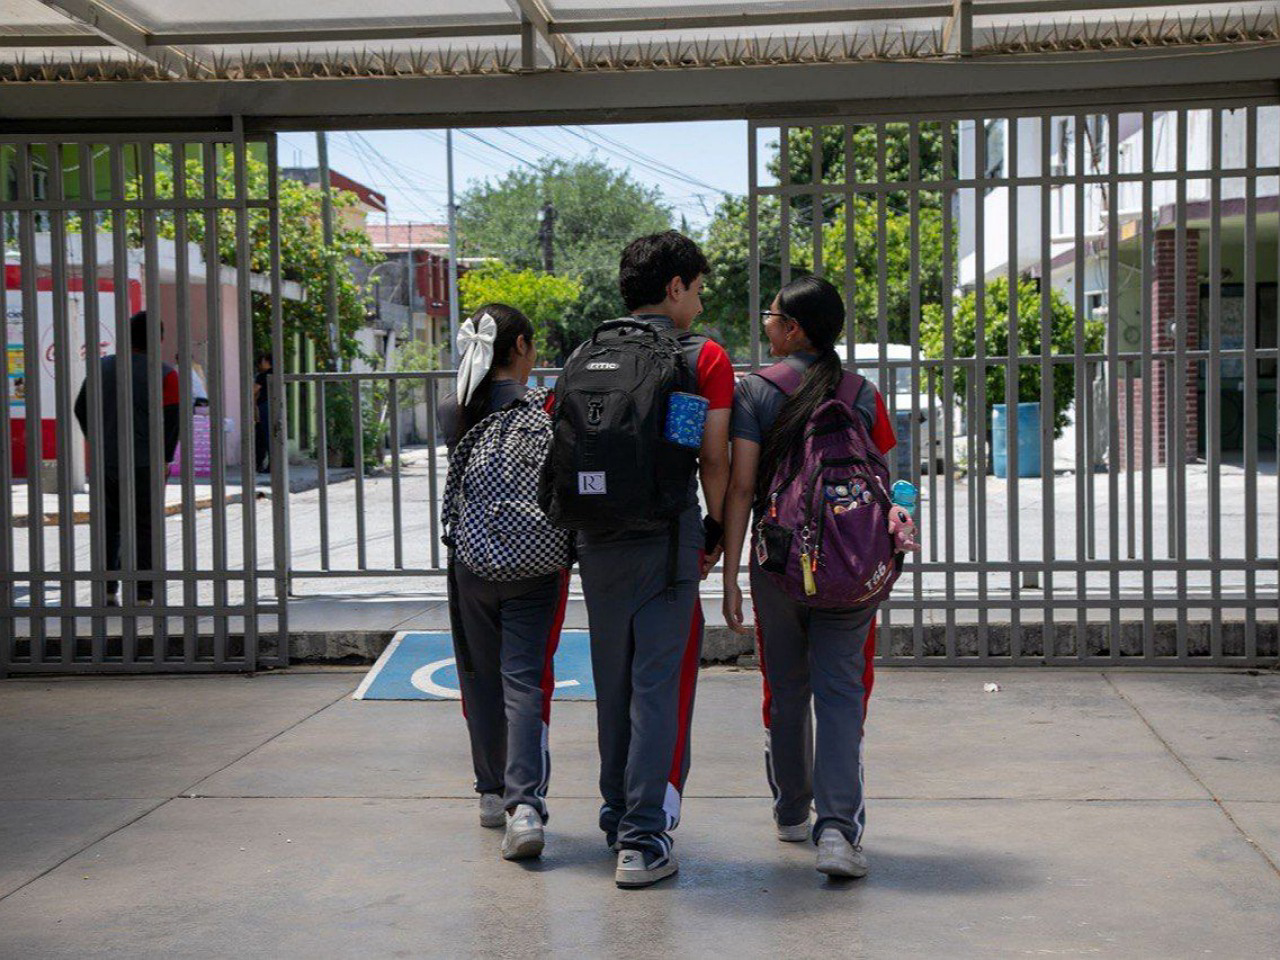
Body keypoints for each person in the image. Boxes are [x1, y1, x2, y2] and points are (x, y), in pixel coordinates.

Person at [558, 232, 733, 888]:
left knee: (613, 683)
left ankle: (616, 818)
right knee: (656, 686)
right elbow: (706, 455)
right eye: (697, 289)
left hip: (596, 539)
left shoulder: (586, 352)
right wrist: (715, 530)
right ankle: (642, 840)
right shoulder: (700, 358)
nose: (699, 302)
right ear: (674, 287)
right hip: (664, 539)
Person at [721, 276, 898, 880]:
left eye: (771, 316)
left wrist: (730, 574)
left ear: (793, 329)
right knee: (842, 693)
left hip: (777, 563)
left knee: (787, 688)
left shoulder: (756, 391)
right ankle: (839, 833)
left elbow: (741, 487)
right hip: (849, 564)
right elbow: (881, 480)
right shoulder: (862, 392)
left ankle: (792, 812)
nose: (767, 325)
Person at [440, 304, 572, 862]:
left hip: (472, 562)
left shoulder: (454, 408)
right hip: (536, 566)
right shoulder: (547, 409)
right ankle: (525, 809)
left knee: (479, 677)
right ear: (518, 347)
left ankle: (490, 794)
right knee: (524, 683)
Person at [73, 310, 180, 607]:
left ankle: (108, 589)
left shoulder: (101, 367)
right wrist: (164, 458)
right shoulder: (165, 374)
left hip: (108, 461)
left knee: (109, 524)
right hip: (147, 462)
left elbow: (81, 407)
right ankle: (144, 593)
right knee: (146, 525)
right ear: (158, 340)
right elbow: (173, 419)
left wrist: (99, 441)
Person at [252, 353, 271, 474]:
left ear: (266, 361)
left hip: (264, 406)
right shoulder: (277, 373)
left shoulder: (263, 376)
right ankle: (271, 464)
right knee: (271, 435)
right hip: (273, 405)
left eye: (261, 361)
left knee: (264, 435)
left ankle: (262, 464)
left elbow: (254, 390)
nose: (259, 364)